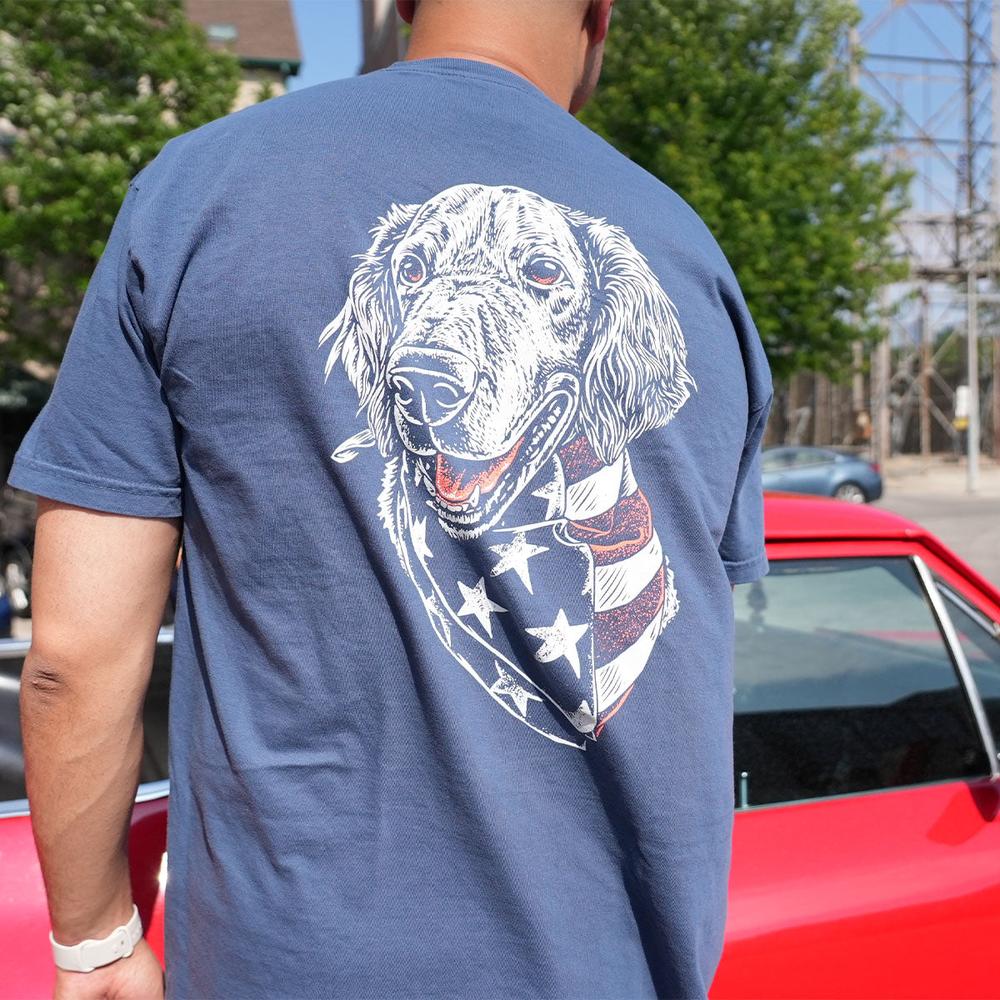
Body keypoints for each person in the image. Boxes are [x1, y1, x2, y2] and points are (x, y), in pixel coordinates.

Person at [9, 1, 773, 997]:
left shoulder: (197, 194)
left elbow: (72, 659)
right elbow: (699, 671)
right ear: (601, 13)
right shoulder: (695, 261)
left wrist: (96, 943)